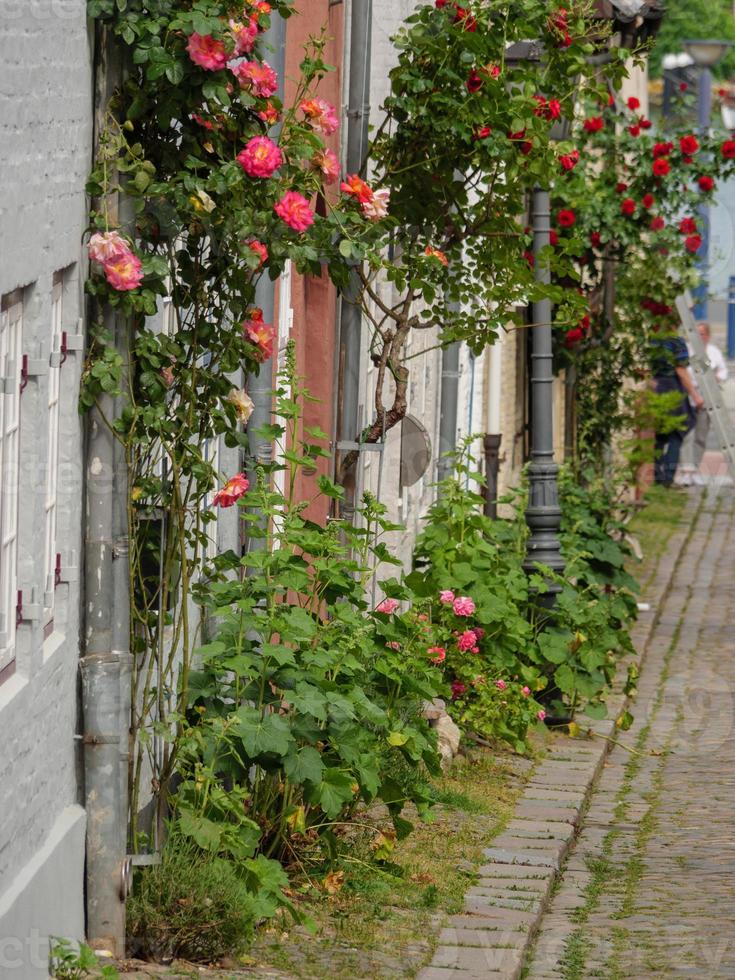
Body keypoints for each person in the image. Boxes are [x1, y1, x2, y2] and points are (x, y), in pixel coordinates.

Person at [650, 325, 703, 486]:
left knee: (659, 434)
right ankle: (667, 477)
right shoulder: (676, 341)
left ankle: (657, 475)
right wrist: (695, 395)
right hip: (672, 386)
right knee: (677, 433)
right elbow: (681, 370)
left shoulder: (652, 338)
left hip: (655, 386)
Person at [688, 321, 729, 469]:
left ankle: (694, 467)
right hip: (689, 397)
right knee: (686, 436)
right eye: (696, 334)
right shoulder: (688, 351)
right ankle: (685, 468)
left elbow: (723, 371)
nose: (699, 337)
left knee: (701, 435)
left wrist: (718, 377)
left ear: (708, 336)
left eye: (702, 334)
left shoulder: (714, 352)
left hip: (708, 399)